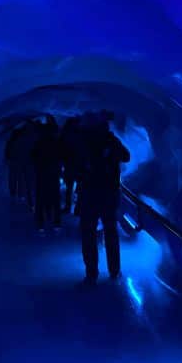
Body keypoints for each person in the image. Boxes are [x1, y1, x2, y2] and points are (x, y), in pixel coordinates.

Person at [77, 112, 130, 284]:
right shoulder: (111, 141)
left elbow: (76, 163)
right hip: (108, 193)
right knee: (110, 231)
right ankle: (114, 270)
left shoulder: (85, 142)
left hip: (89, 194)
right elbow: (126, 157)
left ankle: (91, 272)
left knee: (88, 233)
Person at [31, 115, 62, 232]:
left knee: (41, 199)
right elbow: (62, 156)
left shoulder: (39, 144)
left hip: (42, 174)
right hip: (54, 174)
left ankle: (40, 224)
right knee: (55, 198)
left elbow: (33, 157)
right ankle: (56, 223)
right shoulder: (56, 143)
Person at [58, 116, 82, 214]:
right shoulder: (80, 134)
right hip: (78, 164)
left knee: (69, 187)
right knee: (79, 187)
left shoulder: (65, 134)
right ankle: (77, 208)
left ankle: (68, 207)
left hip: (69, 164)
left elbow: (61, 148)